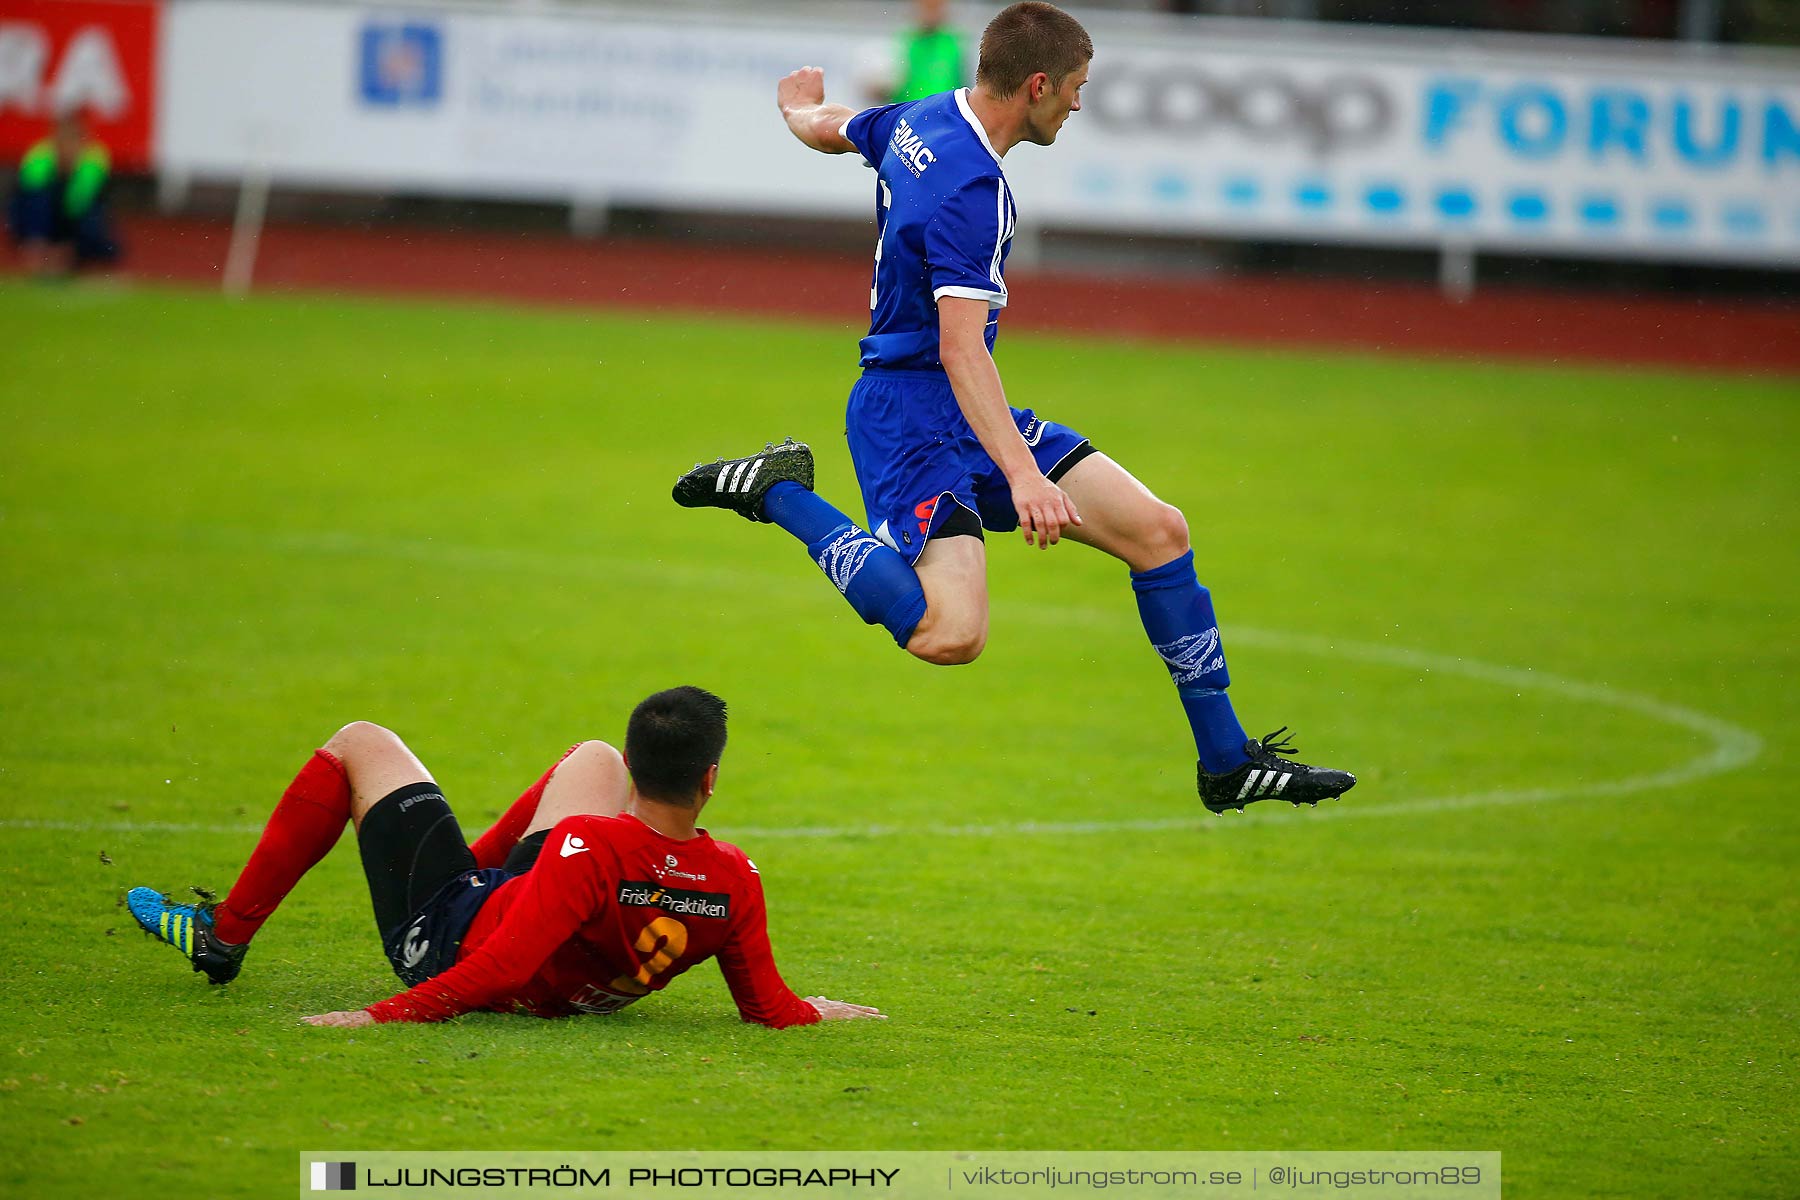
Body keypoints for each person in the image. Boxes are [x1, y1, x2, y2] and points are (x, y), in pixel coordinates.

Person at [673, 3, 1354, 815]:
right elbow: (964, 350)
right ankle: (777, 489)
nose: (1077, 104)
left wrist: (795, 110)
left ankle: (1226, 762)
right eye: (1074, 89)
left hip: (957, 406)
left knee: (1159, 533)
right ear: (1036, 85)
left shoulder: (922, 118)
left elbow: (834, 127)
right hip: (911, 416)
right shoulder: (974, 192)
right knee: (948, 634)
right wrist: (1025, 476)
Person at [125, 687, 883, 1029]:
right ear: (710, 779)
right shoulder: (735, 878)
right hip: (549, 921)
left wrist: (373, 1015)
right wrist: (817, 1011)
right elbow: (767, 1008)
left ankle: (224, 935)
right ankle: (465, 875)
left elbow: (503, 969)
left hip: (453, 939)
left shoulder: (591, 848)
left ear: (642, 764)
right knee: (587, 756)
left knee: (359, 740)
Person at [8, 108, 119, 276]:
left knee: (99, 234)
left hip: (75, 218)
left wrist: (66, 245)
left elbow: (80, 202)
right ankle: (37, 251)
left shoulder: (93, 159)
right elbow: (31, 195)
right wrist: (37, 241)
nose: (67, 146)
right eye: (63, 139)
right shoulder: (40, 155)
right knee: (36, 202)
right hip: (42, 220)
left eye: (72, 140)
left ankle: (77, 256)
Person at [892, 0, 966, 102]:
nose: (930, 15)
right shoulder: (909, 42)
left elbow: (959, 82)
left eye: (934, 9)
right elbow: (901, 84)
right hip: (913, 108)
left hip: (942, 109)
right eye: (926, 9)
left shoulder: (951, 44)